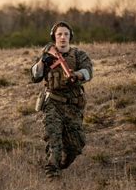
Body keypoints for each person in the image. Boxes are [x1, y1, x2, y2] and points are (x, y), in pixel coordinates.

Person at [31, 21, 93, 179]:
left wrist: (76, 75)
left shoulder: (79, 55)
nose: (63, 37)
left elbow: (88, 72)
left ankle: (60, 164)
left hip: (72, 106)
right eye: (59, 34)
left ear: (70, 36)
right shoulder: (47, 53)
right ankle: (52, 174)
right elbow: (35, 76)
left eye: (66, 34)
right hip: (52, 103)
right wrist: (43, 61)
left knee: (76, 146)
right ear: (54, 36)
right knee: (54, 141)